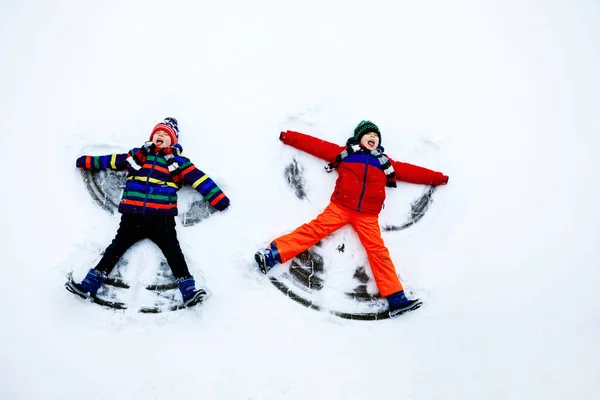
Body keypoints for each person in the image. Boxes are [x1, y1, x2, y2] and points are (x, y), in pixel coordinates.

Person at [254, 120, 449, 317]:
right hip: (340, 207)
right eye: (369, 135)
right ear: (359, 138)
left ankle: (396, 299)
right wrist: (290, 137)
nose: (373, 138)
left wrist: (438, 178)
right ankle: (271, 255)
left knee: (377, 251)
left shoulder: (384, 163)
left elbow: (412, 171)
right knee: (314, 231)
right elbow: (316, 145)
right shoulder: (346, 154)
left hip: (368, 216)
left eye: (376, 136)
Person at [66, 117, 230, 307]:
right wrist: (87, 162)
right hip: (132, 216)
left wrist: (219, 199)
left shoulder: (178, 163)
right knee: (115, 249)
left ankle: (188, 291)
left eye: (164, 134)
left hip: (162, 218)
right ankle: (90, 284)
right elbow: (112, 161)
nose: (159, 135)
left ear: (173, 141)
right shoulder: (138, 156)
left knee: (174, 253)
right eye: (156, 133)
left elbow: (199, 179)